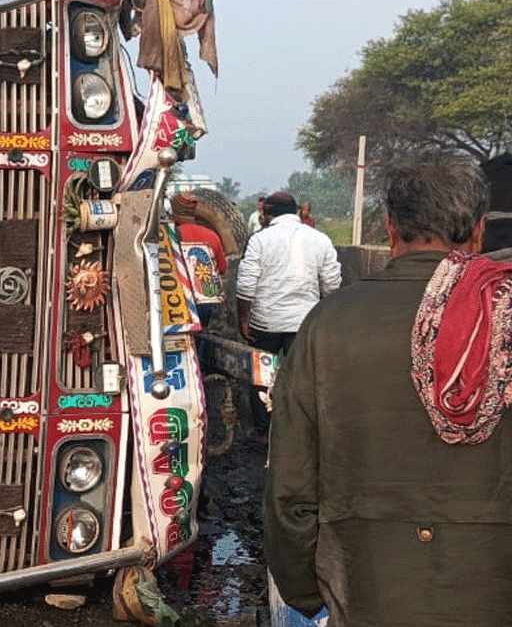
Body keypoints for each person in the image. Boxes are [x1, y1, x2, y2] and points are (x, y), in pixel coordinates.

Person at [265, 153, 512, 626]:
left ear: (390, 227)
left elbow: (290, 491)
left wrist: (306, 594)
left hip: (365, 593)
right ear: (479, 230)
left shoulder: (329, 324)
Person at [236, 191, 341, 436]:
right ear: (295, 212)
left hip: (264, 323)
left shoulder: (259, 240)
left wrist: (243, 320)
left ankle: (264, 430)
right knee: (303, 377)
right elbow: (332, 283)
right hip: (304, 323)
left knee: (261, 377)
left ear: (265, 213)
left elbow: (246, 285)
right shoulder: (320, 239)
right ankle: (300, 431)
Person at [170, 193, 227, 325]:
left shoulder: (167, 235)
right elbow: (222, 269)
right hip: (204, 300)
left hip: (174, 300)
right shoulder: (212, 236)